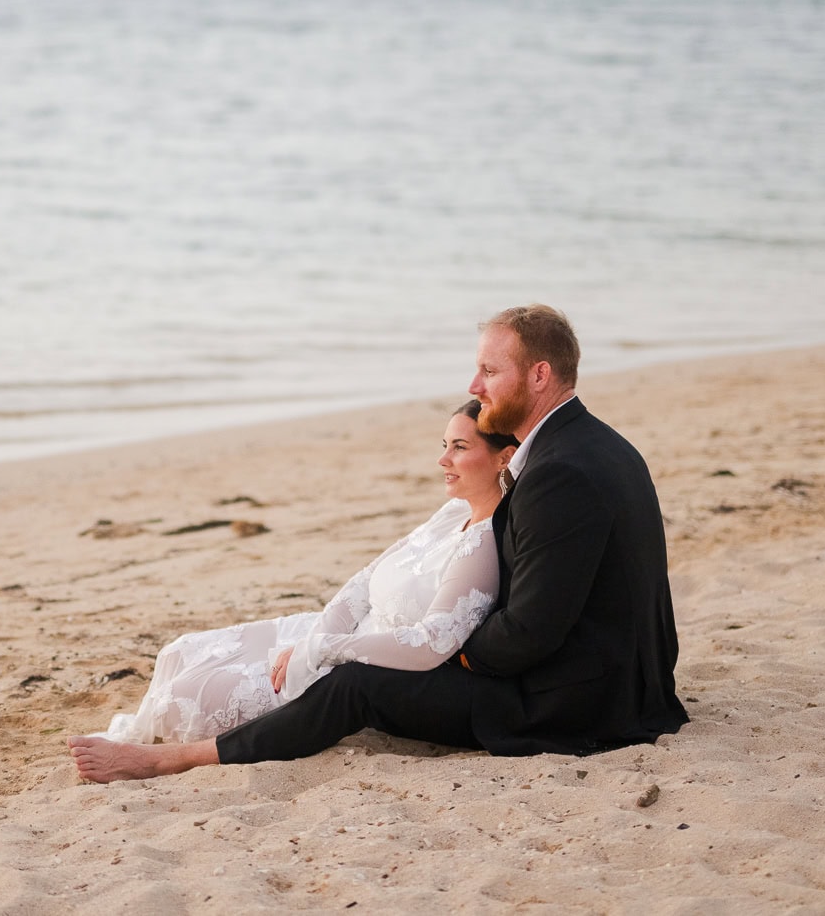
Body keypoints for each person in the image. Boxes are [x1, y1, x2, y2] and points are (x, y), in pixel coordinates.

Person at [68, 304, 687, 783]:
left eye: (491, 370)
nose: (476, 382)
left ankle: (178, 760)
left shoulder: (560, 472)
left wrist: (445, 645)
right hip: (632, 680)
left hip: (580, 705)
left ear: (540, 375)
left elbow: (528, 636)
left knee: (357, 683)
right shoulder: (593, 444)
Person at [84, 402, 515, 747]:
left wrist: (325, 651)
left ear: (504, 458)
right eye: (444, 444)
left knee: (188, 695)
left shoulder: (481, 548)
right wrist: (319, 634)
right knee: (181, 651)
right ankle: (140, 733)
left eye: (459, 447)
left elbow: (433, 643)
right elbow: (367, 578)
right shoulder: (452, 511)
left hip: (350, 663)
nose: (443, 459)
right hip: (327, 631)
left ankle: (147, 750)